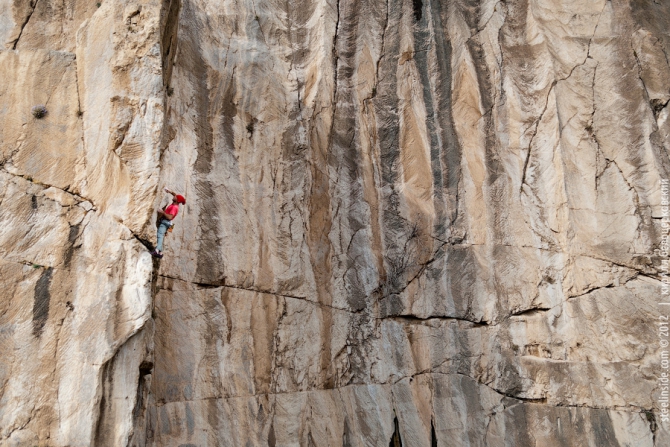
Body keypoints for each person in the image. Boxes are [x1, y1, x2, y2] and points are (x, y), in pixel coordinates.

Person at [151, 188, 186, 258]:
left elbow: (170, 217)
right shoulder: (175, 203)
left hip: (165, 222)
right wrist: (170, 191)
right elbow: (175, 195)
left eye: (175, 197)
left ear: (177, 200)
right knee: (161, 235)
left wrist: (162, 212)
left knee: (160, 235)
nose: (174, 196)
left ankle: (157, 250)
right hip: (167, 223)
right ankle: (160, 253)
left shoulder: (174, 207)